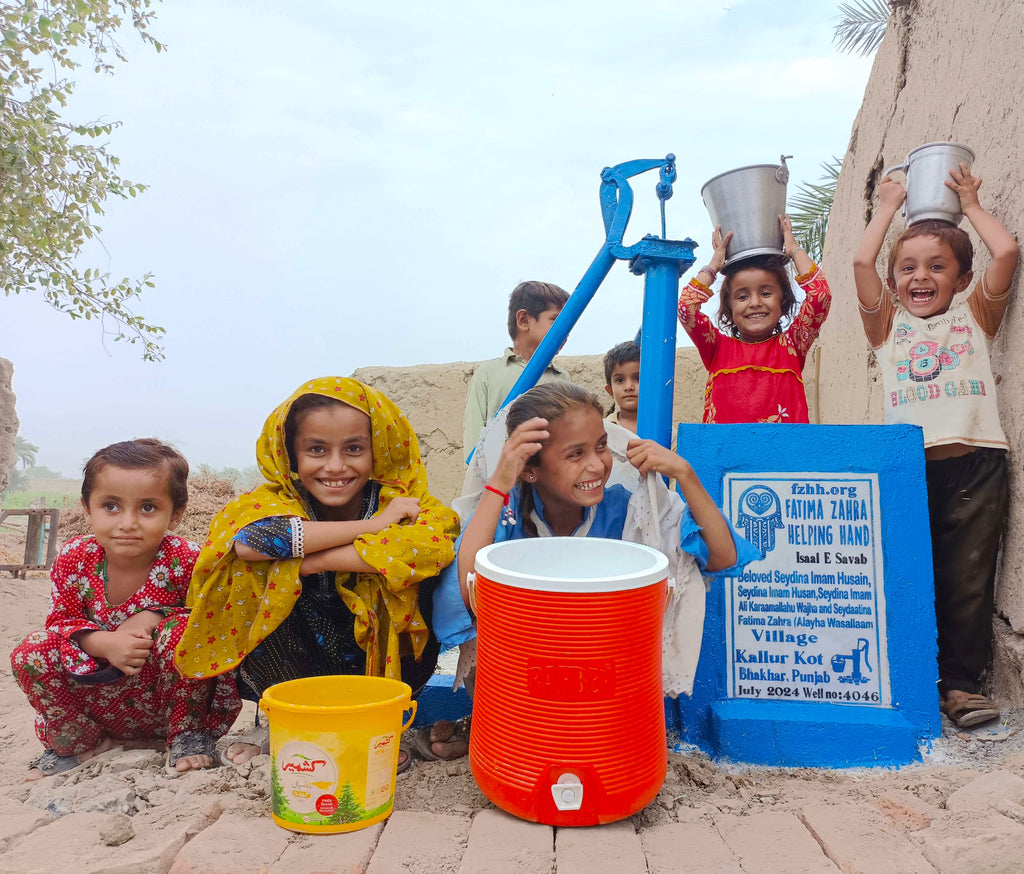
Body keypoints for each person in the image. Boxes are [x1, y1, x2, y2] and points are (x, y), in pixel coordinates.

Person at [423, 382, 760, 760]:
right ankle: (490, 725)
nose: (598, 464)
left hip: (602, 691)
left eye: (601, 445)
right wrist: (500, 481)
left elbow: (721, 556)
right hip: (526, 686)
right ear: (530, 471)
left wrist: (685, 474)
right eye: (575, 454)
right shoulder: (506, 514)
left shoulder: (626, 511)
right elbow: (471, 593)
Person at [175, 377, 460, 767]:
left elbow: (429, 546)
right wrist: (373, 528)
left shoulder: (405, 502)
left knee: (412, 575)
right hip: (295, 654)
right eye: (317, 449)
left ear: (378, 451)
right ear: (290, 455)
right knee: (244, 573)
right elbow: (250, 543)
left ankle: (376, 719)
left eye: (354, 449)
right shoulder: (270, 502)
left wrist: (314, 562)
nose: (336, 466)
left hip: (381, 667)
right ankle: (288, 718)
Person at [852, 163, 1019, 729]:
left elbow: (1005, 254)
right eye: (906, 268)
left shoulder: (975, 318)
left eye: (936, 267)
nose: (918, 277)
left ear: (962, 279)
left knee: (967, 582)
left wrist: (970, 204)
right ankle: (909, 679)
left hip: (977, 466)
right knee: (908, 572)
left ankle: (962, 688)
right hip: (908, 472)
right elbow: (859, 263)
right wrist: (886, 210)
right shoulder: (888, 330)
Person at [11, 439, 241, 780]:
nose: (128, 522)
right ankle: (81, 741)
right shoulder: (76, 557)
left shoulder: (187, 559)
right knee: (31, 651)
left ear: (176, 513)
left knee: (189, 630)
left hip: (165, 702)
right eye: (111, 506)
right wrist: (103, 643)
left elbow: (216, 615)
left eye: (148, 507)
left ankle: (186, 736)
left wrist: (156, 615)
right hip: (97, 695)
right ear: (87, 509)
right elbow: (60, 621)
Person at [677, 214, 831, 423]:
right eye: (742, 296)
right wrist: (714, 264)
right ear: (729, 308)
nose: (755, 302)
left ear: (783, 302)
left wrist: (793, 248)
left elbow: (820, 296)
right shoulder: (717, 348)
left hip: (784, 454)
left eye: (766, 293)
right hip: (725, 455)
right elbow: (686, 307)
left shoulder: (794, 344)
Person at [462, 280, 570, 456]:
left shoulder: (561, 379)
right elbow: (474, 435)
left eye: (569, 323)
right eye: (557, 320)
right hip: (501, 478)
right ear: (524, 320)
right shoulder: (488, 374)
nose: (566, 330)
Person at [603, 340, 640, 433]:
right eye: (620, 380)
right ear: (610, 390)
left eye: (638, 378)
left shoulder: (666, 432)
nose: (628, 387)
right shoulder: (602, 430)